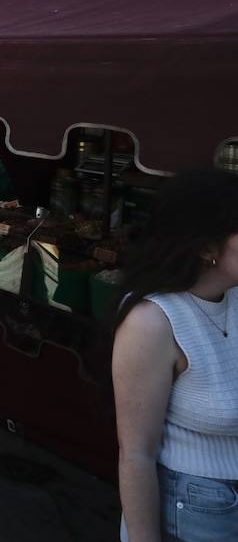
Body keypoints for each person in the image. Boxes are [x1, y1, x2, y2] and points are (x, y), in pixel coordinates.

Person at [113, 170, 238, 542]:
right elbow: (136, 454)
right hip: (197, 506)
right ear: (206, 247)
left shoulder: (233, 297)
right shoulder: (151, 322)